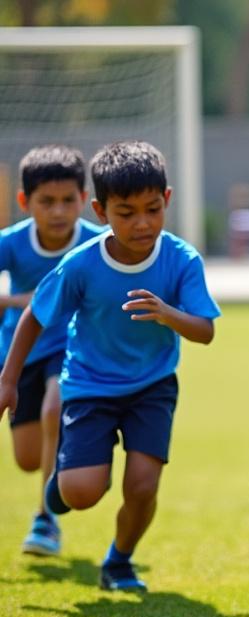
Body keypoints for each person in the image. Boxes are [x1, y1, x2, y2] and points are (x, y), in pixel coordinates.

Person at [0, 140, 220, 591]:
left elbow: (205, 330)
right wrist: (8, 380)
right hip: (90, 386)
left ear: (167, 200)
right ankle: (64, 484)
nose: (142, 223)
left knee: (142, 485)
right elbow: (35, 316)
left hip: (153, 385)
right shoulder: (82, 264)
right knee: (81, 492)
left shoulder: (181, 259)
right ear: (100, 211)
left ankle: (119, 561)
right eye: (126, 212)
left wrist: (168, 314)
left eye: (152, 209)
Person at [0, 145, 104, 556]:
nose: (58, 211)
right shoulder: (11, 243)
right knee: (27, 458)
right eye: (47, 202)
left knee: (54, 407)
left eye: (67, 200)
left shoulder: (97, 243)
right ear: (24, 202)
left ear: (84, 199)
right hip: (21, 352)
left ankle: (46, 520)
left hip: (71, 347)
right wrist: (16, 303)